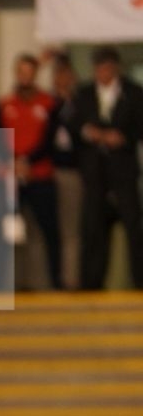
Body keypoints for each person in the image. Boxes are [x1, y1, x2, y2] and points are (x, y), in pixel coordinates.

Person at [74, 46, 143, 290]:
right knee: (93, 228)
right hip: (94, 172)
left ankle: (139, 281)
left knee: (134, 226)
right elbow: (73, 124)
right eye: (99, 69)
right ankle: (91, 284)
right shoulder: (83, 93)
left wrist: (123, 137)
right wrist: (89, 132)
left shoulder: (134, 93)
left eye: (107, 69)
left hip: (123, 171)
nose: (103, 73)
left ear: (116, 68)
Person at [3, 53, 63, 291]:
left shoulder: (49, 103)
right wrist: (15, 162)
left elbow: (50, 140)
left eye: (29, 71)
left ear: (35, 74)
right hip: (11, 178)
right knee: (11, 233)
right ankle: (10, 283)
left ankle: (56, 282)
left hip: (40, 176)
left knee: (49, 231)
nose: (25, 76)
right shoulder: (5, 104)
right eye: (21, 71)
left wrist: (27, 161)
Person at [48, 55, 84, 289]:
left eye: (67, 75)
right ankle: (48, 279)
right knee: (48, 229)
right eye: (58, 75)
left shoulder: (81, 105)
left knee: (71, 228)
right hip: (47, 171)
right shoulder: (48, 104)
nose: (63, 80)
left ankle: (70, 278)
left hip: (72, 171)